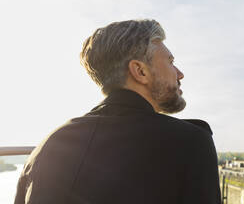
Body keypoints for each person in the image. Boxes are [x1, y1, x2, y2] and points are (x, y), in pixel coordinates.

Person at [14, 19, 221, 204]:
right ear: (140, 71)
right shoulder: (190, 143)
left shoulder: (48, 146)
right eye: (171, 62)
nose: (180, 74)